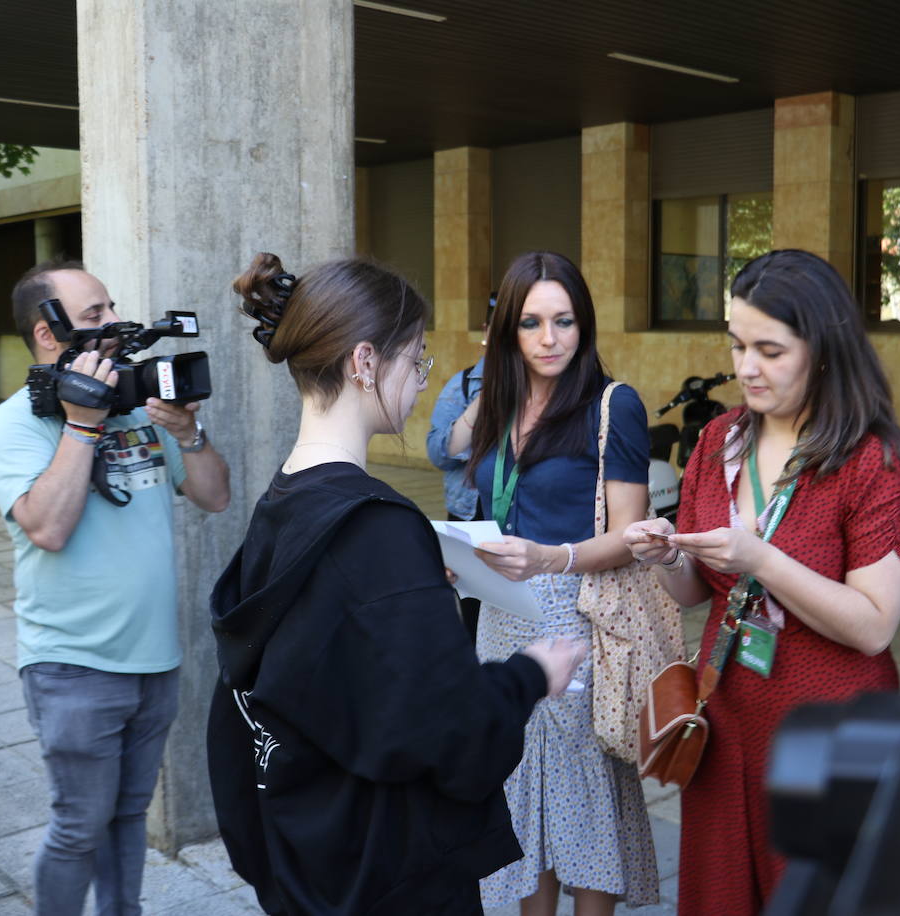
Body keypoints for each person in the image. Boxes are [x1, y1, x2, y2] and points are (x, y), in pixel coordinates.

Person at [206, 253, 584, 915]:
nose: (418, 381)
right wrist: (532, 672)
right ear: (363, 362)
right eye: (415, 360)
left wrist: (412, 592)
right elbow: (449, 733)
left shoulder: (282, 504)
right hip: (386, 875)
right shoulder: (377, 530)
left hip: (310, 858)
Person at [622, 249, 900, 916]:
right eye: (736, 345)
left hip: (828, 730)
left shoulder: (876, 463)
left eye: (769, 349)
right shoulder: (721, 439)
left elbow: (874, 624)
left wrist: (760, 560)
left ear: (824, 349)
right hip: (725, 717)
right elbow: (699, 589)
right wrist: (667, 555)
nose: (746, 367)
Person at [0, 260, 231, 916]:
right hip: (73, 668)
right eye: (94, 315)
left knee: (126, 819)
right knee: (79, 828)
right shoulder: (12, 426)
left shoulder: (139, 412)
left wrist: (188, 433)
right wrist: (81, 424)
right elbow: (49, 529)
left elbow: (215, 496)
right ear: (46, 333)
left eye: (110, 307)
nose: (114, 323)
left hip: (155, 663)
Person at [451, 251, 658, 915]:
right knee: (517, 802)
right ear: (506, 331)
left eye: (564, 321)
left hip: (574, 615)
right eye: (532, 323)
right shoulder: (497, 405)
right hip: (499, 616)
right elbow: (471, 480)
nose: (549, 339)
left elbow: (630, 535)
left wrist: (551, 559)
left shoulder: (611, 405)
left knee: (582, 802)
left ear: (584, 324)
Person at [426, 291, 496, 636]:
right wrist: (480, 404)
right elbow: (437, 453)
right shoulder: (464, 385)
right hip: (471, 517)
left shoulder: (546, 388)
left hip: (522, 521)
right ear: (486, 330)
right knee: (472, 619)